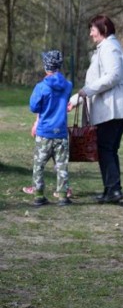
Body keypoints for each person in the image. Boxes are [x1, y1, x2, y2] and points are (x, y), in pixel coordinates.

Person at [68, 15, 123, 204]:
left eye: (93, 29)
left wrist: (85, 92)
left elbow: (113, 76)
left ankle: (114, 190)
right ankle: (111, 190)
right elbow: (96, 81)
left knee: (105, 148)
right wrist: (77, 98)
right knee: (108, 149)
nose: (90, 33)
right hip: (112, 108)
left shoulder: (110, 47)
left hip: (114, 108)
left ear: (103, 29)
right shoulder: (105, 48)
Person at [23, 50, 73, 207]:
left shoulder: (41, 87)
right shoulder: (68, 85)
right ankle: (63, 196)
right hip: (61, 132)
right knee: (62, 165)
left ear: (46, 67)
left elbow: (33, 107)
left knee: (39, 164)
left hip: (44, 132)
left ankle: (38, 195)